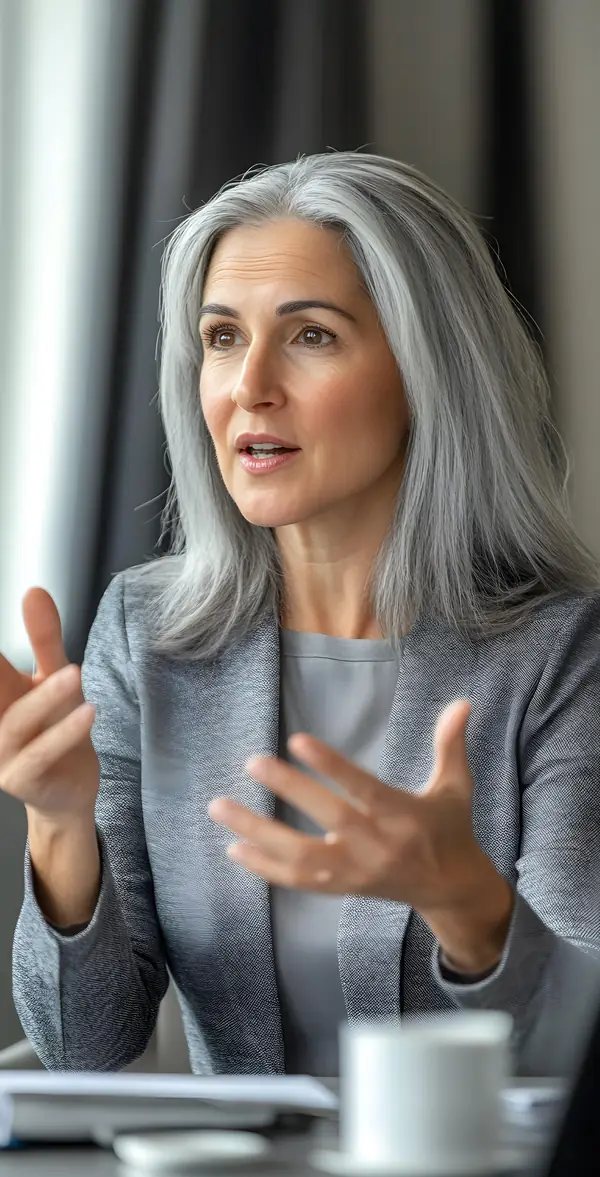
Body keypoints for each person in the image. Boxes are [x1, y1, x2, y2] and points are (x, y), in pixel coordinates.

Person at [4, 151, 600, 1079]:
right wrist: (57, 824)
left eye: (311, 336)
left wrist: (470, 908)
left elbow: (581, 1054)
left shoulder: (562, 650)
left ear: (427, 369)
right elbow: (84, 1043)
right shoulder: (148, 635)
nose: (249, 387)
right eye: (223, 338)